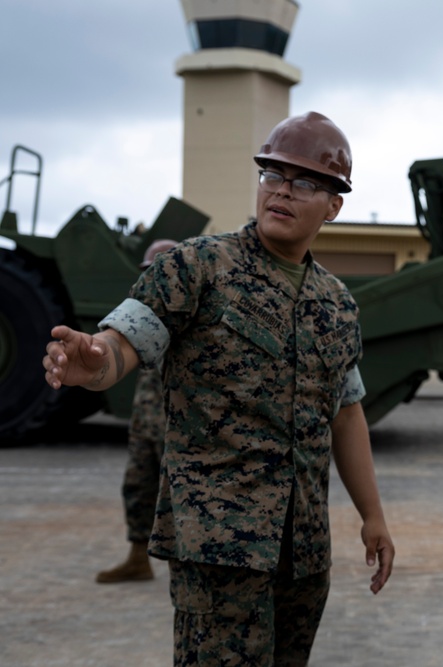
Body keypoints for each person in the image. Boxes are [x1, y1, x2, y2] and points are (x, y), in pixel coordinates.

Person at [42, 111, 395, 666]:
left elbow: (347, 412)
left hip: (302, 554)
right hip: (218, 550)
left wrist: (372, 515)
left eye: (303, 182)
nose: (281, 190)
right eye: (271, 175)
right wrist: (96, 363)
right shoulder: (196, 268)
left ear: (334, 205)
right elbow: (123, 343)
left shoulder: (337, 304)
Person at [95, 239, 176, 584]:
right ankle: (137, 558)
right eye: (147, 272)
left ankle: (185, 572)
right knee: (138, 486)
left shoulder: (189, 314)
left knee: (178, 499)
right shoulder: (140, 314)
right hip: (145, 419)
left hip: (177, 426)